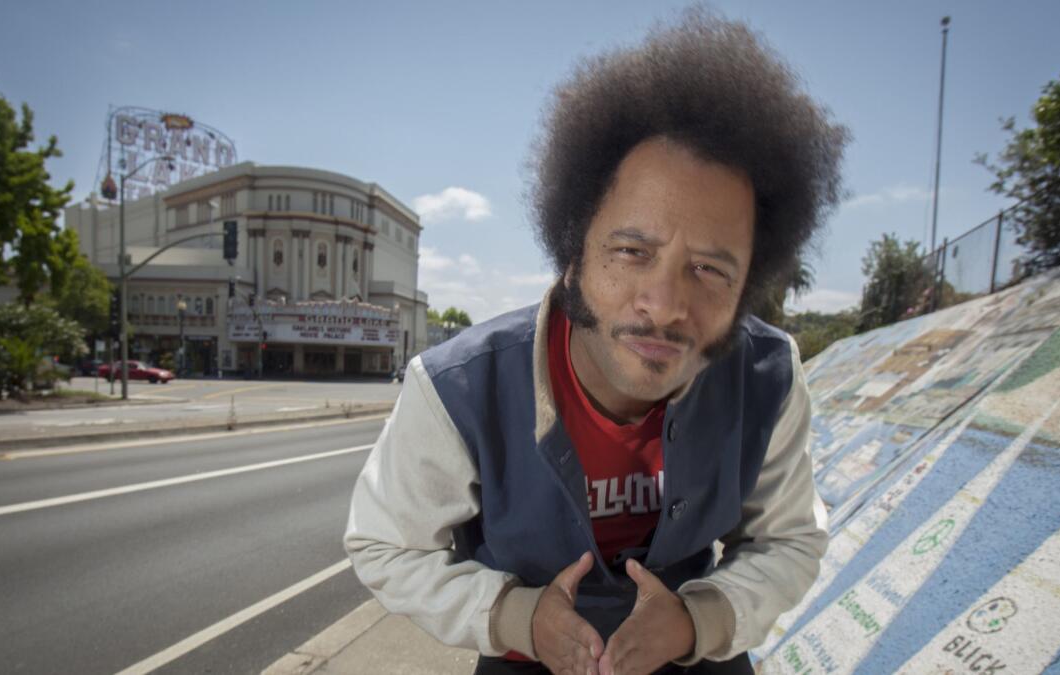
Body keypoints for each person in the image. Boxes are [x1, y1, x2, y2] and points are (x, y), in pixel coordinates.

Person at [345, 10, 845, 675]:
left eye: (710, 269)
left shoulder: (769, 376)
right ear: (574, 252)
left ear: (749, 281)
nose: (665, 305)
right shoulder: (455, 389)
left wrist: (699, 619)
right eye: (632, 250)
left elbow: (790, 537)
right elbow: (385, 544)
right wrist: (513, 616)